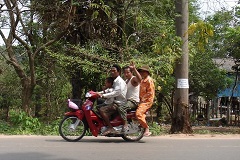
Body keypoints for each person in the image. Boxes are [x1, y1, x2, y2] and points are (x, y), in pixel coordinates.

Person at [98, 64, 127, 135]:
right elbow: (109, 90)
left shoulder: (119, 82)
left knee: (102, 110)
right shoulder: (115, 81)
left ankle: (110, 127)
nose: (112, 72)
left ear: (119, 72)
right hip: (114, 102)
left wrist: (103, 96)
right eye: (111, 71)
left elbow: (115, 93)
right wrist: (98, 93)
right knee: (99, 106)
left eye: (114, 71)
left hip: (119, 103)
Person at [117, 64, 141, 132]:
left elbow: (139, 79)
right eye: (125, 73)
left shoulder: (133, 79)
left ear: (131, 72)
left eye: (128, 72)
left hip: (133, 101)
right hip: (127, 101)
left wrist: (134, 69)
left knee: (121, 108)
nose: (126, 74)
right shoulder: (125, 81)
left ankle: (125, 125)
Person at [135, 65, 155, 136]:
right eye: (140, 71)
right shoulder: (143, 80)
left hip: (147, 101)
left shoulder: (149, 81)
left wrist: (142, 100)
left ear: (147, 72)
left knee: (138, 114)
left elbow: (150, 93)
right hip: (141, 101)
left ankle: (146, 128)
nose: (141, 73)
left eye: (143, 71)